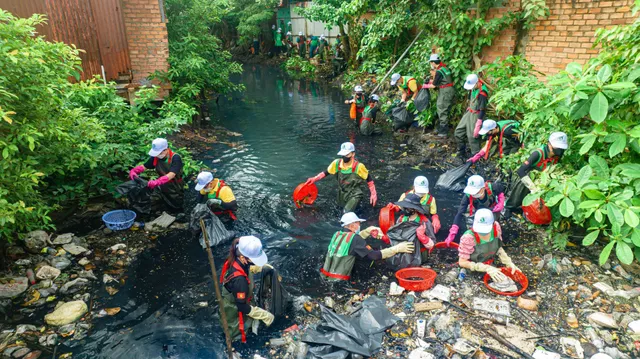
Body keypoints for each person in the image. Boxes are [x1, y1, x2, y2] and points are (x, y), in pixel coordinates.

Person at [320, 212, 415, 281]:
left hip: (326, 276)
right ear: (352, 225)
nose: (359, 225)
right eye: (358, 223)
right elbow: (374, 256)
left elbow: (351, 242)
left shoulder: (337, 235)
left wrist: (367, 231)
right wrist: (396, 248)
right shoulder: (355, 239)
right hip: (340, 281)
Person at [220, 236, 274, 343]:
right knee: (237, 335)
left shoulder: (237, 252)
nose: (254, 263)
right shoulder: (240, 281)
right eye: (253, 261)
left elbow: (245, 269)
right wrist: (264, 315)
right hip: (234, 310)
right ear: (243, 258)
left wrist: (258, 267)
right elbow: (241, 306)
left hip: (239, 294)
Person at [505, 132, 568, 212]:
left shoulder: (557, 156)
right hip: (528, 178)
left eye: (561, 149)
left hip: (543, 178)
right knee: (520, 191)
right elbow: (520, 171)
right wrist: (532, 187)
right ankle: (510, 207)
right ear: (549, 145)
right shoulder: (537, 154)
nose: (559, 151)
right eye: (557, 148)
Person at [305, 142, 377, 212]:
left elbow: (369, 179)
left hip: (355, 194)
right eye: (343, 154)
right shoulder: (336, 163)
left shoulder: (359, 167)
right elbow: (326, 172)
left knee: (346, 212)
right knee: (340, 210)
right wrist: (314, 178)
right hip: (341, 193)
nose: (344, 157)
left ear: (353, 154)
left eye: (347, 154)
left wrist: (373, 194)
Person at [458, 209, 520, 283]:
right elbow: (462, 262)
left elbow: (498, 247)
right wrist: (485, 268)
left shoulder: (496, 228)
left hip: (491, 263)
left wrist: (508, 262)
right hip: (473, 268)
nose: (482, 232)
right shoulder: (468, 238)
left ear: (492, 224)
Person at [445, 175, 506, 245]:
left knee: (494, 225)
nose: (473, 194)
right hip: (479, 211)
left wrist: (501, 201)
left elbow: (501, 188)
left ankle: (496, 238)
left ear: (483, 189)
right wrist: (453, 230)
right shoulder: (468, 196)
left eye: (475, 192)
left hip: (493, 209)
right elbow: (460, 212)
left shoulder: (492, 187)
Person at [129, 138, 184, 212]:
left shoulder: (175, 158)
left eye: (159, 153)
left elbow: (172, 174)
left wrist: (157, 182)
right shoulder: (155, 158)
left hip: (175, 185)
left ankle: (178, 213)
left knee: (176, 202)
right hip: (163, 185)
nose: (157, 155)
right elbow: (145, 166)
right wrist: (135, 170)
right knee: (163, 199)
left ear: (166, 149)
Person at [393, 193, 436, 262]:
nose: (405, 209)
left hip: (420, 256)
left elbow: (432, 244)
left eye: (408, 207)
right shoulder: (401, 219)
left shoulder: (424, 222)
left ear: (415, 209)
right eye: (404, 206)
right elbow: (395, 236)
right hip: (404, 254)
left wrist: (422, 237)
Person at [455, 74, 488, 159]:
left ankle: (476, 156)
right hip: (469, 112)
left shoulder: (482, 93)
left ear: (477, 83)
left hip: (476, 115)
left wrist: (478, 123)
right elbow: (470, 100)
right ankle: (461, 152)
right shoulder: (473, 88)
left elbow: (482, 110)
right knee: (458, 131)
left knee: (472, 136)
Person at [424, 54, 455, 137]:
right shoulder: (445, 68)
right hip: (450, 89)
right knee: (445, 108)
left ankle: (443, 132)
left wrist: (425, 86)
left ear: (433, 62)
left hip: (445, 91)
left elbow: (434, 86)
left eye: (431, 62)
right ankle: (440, 128)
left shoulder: (439, 71)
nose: (431, 64)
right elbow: (441, 81)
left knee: (441, 109)